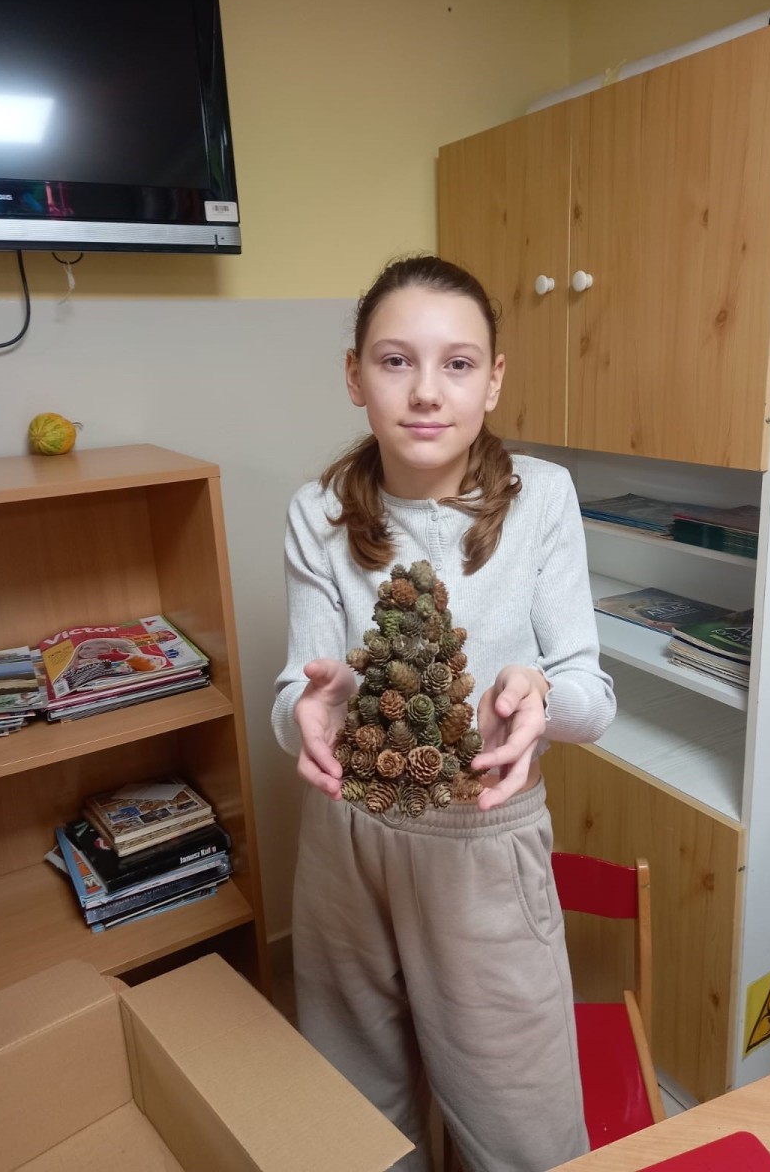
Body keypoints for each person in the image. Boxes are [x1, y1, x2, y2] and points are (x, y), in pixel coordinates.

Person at [272, 254, 616, 1172]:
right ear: (355, 375)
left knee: (523, 1127)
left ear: (493, 379)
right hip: (345, 836)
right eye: (396, 361)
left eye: (458, 364)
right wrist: (307, 708)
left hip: (482, 842)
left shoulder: (542, 497)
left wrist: (542, 696)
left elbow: (591, 695)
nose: (427, 391)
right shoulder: (317, 512)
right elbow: (295, 693)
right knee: (355, 1113)